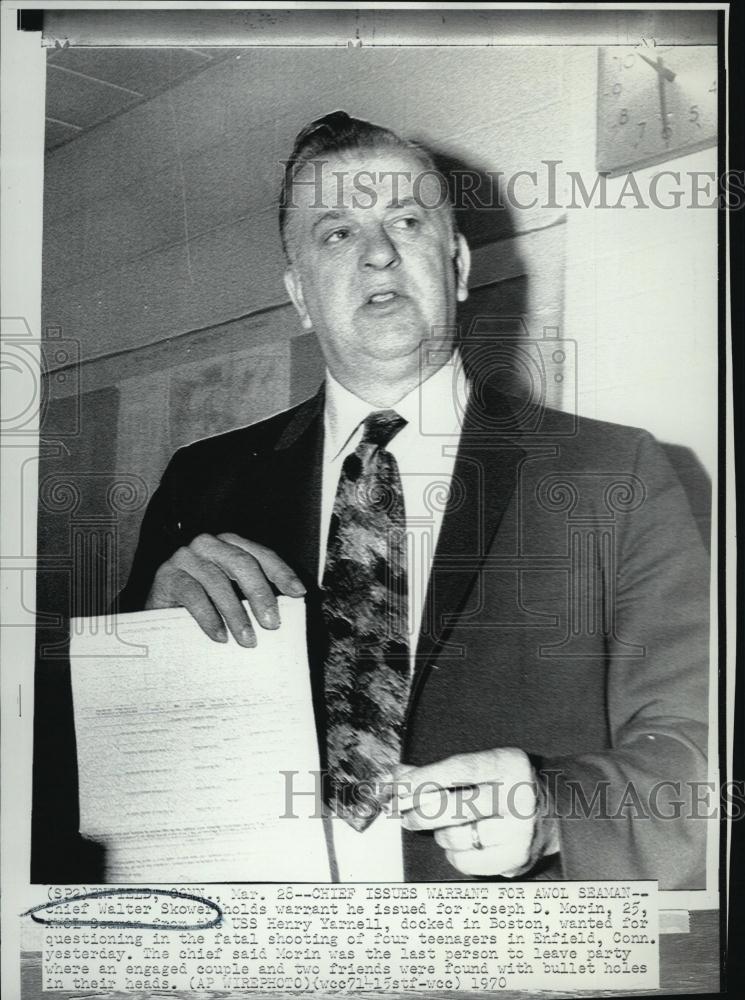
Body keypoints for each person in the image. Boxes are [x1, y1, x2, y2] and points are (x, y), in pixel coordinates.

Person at [117, 111, 710, 887]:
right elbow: (118, 762)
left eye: (405, 219)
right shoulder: (203, 482)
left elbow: (699, 745)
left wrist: (557, 809)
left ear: (458, 265)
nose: (377, 252)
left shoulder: (614, 472)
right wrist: (151, 645)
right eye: (335, 233)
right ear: (299, 294)